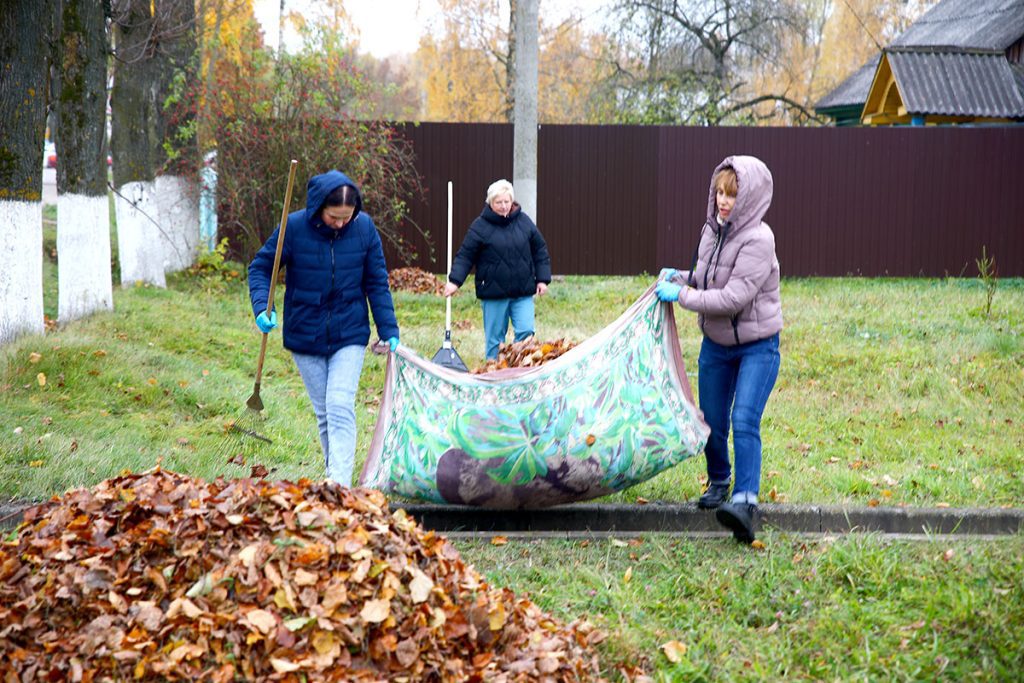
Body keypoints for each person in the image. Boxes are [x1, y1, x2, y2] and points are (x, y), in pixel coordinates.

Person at [655, 155, 782, 544]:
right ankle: (719, 481)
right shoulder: (713, 231)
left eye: (733, 195)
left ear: (749, 198)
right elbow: (707, 277)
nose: (724, 201)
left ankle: (745, 503)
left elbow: (731, 297)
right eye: (720, 192)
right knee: (711, 418)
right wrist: (680, 276)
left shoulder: (760, 240)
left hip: (757, 347)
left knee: (744, 418)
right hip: (717, 344)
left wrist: (683, 295)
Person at [248, 170, 399, 487]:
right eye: (335, 217)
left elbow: (376, 281)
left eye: (347, 217)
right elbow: (262, 267)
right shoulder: (294, 227)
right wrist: (263, 306)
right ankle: (335, 478)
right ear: (319, 208)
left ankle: (340, 484)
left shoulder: (363, 228)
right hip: (305, 333)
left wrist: (388, 327)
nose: (342, 223)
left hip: (350, 331)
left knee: (340, 405)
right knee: (325, 412)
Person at [443, 179, 552, 360]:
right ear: (490, 203)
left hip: (522, 291)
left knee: (526, 334)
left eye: (506, 202)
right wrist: (455, 281)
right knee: (495, 341)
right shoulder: (480, 227)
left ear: (512, 201)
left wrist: (542, 279)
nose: (503, 206)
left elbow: (539, 249)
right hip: (493, 293)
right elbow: (465, 255)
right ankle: (493, 374)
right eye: (498, 202)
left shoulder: (524, 222)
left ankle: (521, 373)